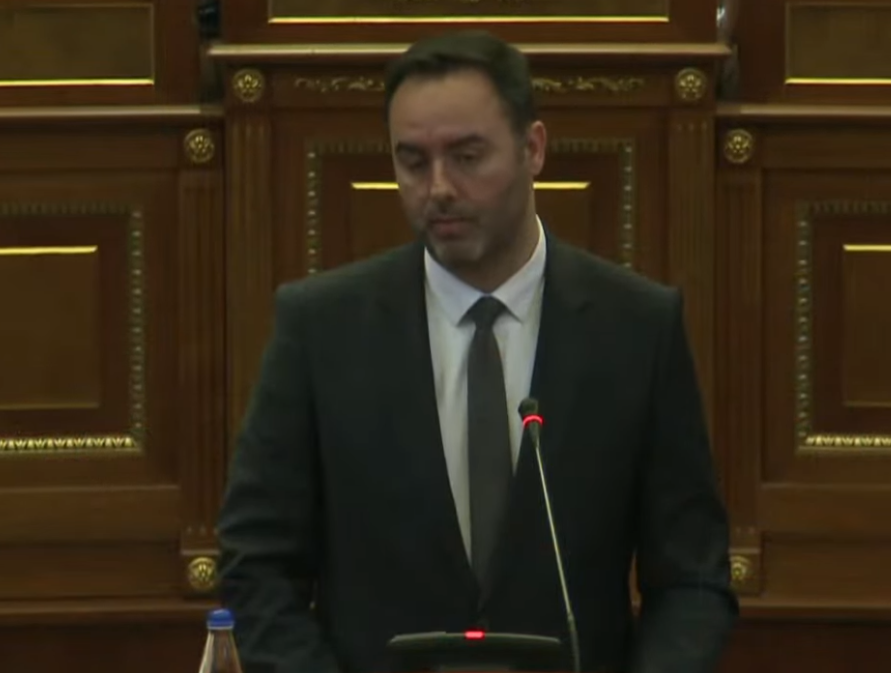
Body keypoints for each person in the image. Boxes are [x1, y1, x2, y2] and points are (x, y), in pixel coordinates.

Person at [216, 29, 739, 673]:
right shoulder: (321, 328)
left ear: (533, 148)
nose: (438, 187)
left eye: (467, 156)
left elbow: (692, 579)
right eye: (413, 161)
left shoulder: (636, 328)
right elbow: (257, 565)